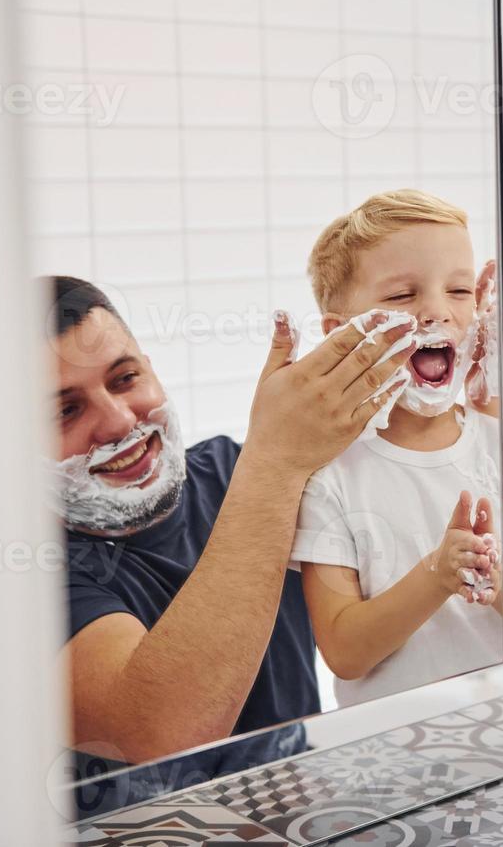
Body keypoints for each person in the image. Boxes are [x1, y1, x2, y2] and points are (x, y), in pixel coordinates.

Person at [49, 275, 415, 765]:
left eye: (125, 379)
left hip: (297, 814)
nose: (119, 421)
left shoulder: (232, 471)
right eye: (67, 411)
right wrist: (276, 460)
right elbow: (161, 729)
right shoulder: (24, 583)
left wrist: (477, 412)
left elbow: (411, 525)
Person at [290, 190, 503, 706]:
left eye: (460, 290)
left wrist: (496, 582)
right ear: (341, 334)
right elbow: (345, 651)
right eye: (402, 296)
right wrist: (436, 576)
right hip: (392, 756)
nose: (436, 311)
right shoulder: (329, 474)